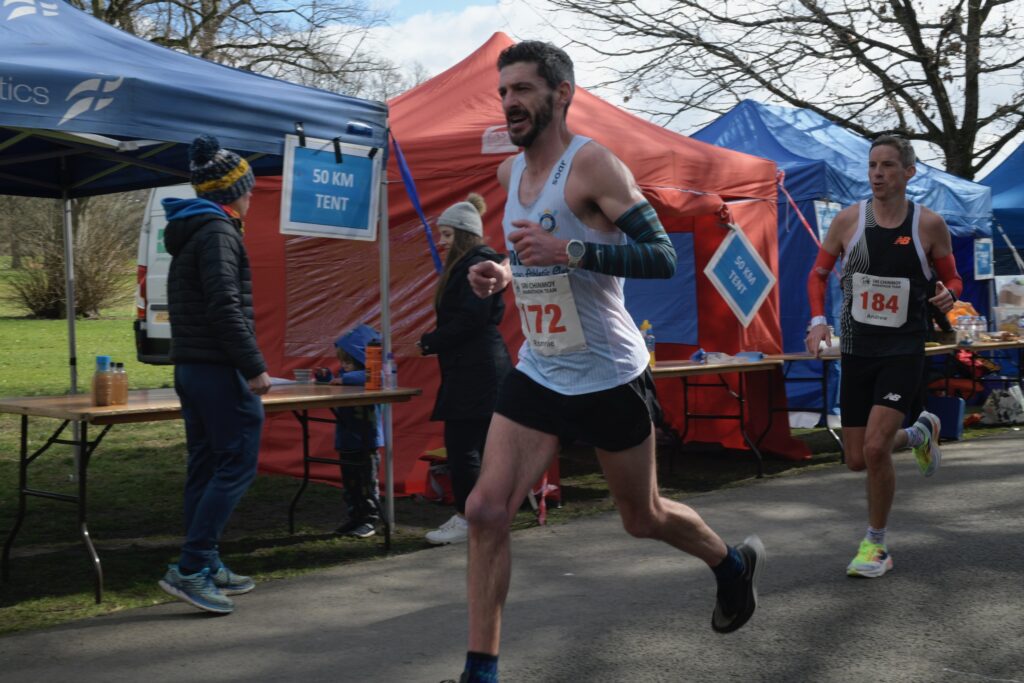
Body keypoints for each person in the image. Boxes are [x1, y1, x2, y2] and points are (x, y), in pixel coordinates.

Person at [448, 41, 765, 683]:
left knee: (641, 516)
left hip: (609, 373)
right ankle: (481, 670)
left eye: (524, 90)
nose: (510, 102)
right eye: (504, 91)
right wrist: (505, 273)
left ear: (560, 94)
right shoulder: (509, 178)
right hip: (541, 368)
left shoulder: (593, 166)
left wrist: (570, 251)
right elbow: (539, 256)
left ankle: (729, 564)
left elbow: (661, 257)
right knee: (485, 510)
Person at [805, 134, 962, 579]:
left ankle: (876, 545)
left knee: (875, 449)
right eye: (873, 165)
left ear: (909, 173)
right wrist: (817, 320)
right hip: (857, 349)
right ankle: (920, 432)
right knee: (857, 457)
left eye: (889, 165)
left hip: (903, 348)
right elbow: (817, 274)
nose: (878, 173)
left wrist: (950, 296)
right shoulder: (849, 221)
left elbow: (953, 280)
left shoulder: (928, 225)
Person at [157, 134, 271, 615]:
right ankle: (193, 565)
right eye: (247, 187)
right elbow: (225, 307)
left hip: (190, 365)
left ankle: (207, 559)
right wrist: (255, 368)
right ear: (232, 192)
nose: (252, 194)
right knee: (237, 462)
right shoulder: (220, 232)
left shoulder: (191, 230)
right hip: (218, 367)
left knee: (205, 464)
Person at [418, 193, 512, 546]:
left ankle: (470, 518)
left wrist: (430, 341)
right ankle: (484, 515)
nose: (441, 243)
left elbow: (471, 319)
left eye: (446, 235)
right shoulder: (472, 263)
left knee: (463, 448)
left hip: (477, 369)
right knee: (476, 448)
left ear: (463, 234)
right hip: (476, 367)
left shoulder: (480, 262)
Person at [330, 324, 384, 539]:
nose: (343, 366)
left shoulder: (371, 376)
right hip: (346, 439)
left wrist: (345, 378)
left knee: (366, 482)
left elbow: (372, 375)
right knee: (350, 483)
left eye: (348, 361)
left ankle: (369, 519)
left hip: (366, 440)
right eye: (341, 361)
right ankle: (355, 517)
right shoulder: (346, 376)